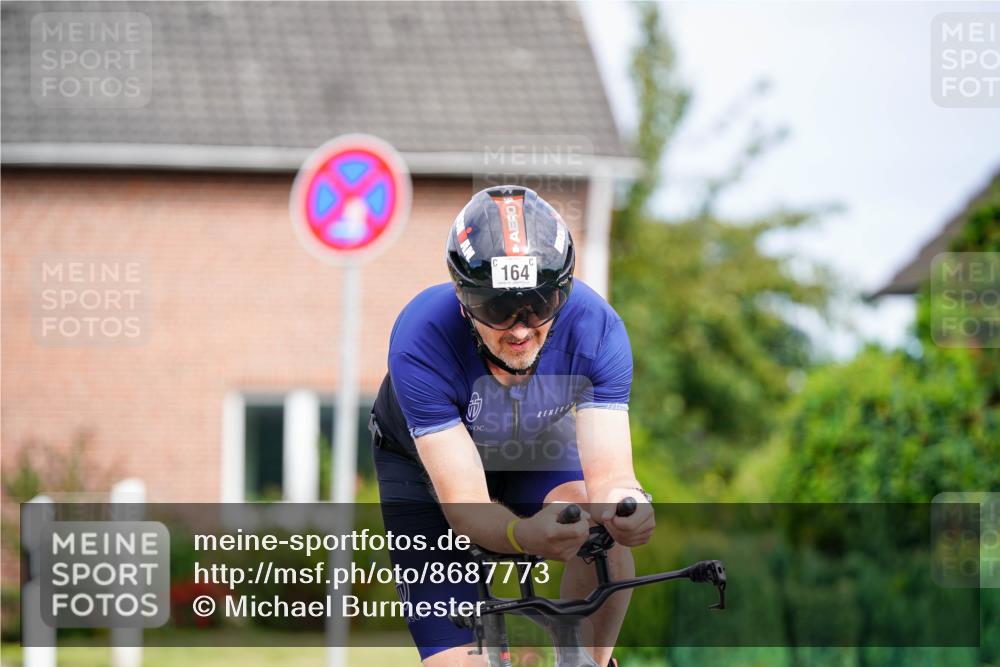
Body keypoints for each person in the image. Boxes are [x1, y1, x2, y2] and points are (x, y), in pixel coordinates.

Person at [370, 185, 654, 666]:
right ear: (464, 301)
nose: (520, 329)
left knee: (600, 534)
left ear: (563, 293)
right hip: (421, 470)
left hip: (530, 444)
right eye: (498, 309)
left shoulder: (597, 330)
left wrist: (629, 506)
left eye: (539, 304)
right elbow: (467, 510)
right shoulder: (422, 338)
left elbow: (611, 480)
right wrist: (525, 536)